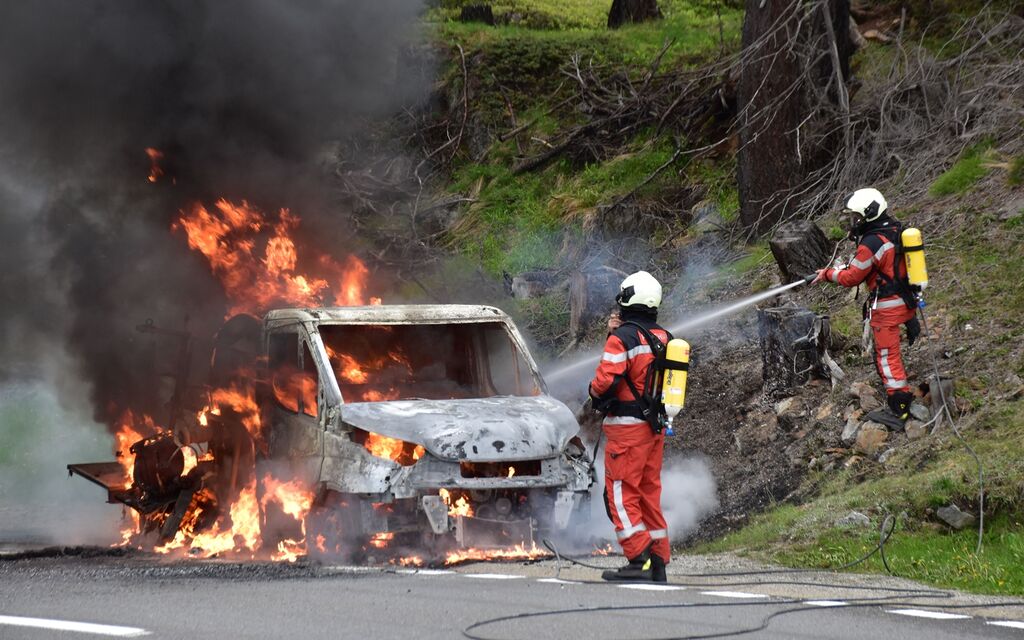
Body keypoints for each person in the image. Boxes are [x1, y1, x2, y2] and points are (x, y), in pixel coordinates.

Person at [588, 270, 671, 582]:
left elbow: (604, 381)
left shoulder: (622, 339)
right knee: (649, 493)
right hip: (654, 427)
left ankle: (638, 559)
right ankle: (658, 561)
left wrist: (594, 393)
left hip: (627, 429)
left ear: (628, 299)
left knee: (621, 493)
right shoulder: (664, 337)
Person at [814, 188, 920, 428]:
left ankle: (900, 410)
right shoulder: (895, 229)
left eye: (856, 217)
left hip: (887, 307)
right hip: (905, 301)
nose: (853, 222)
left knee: (887, 357)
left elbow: (852, 277)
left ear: (868, 215)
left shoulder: (871, 242)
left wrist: (828, 274)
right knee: (889, 355)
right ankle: (899, 400)